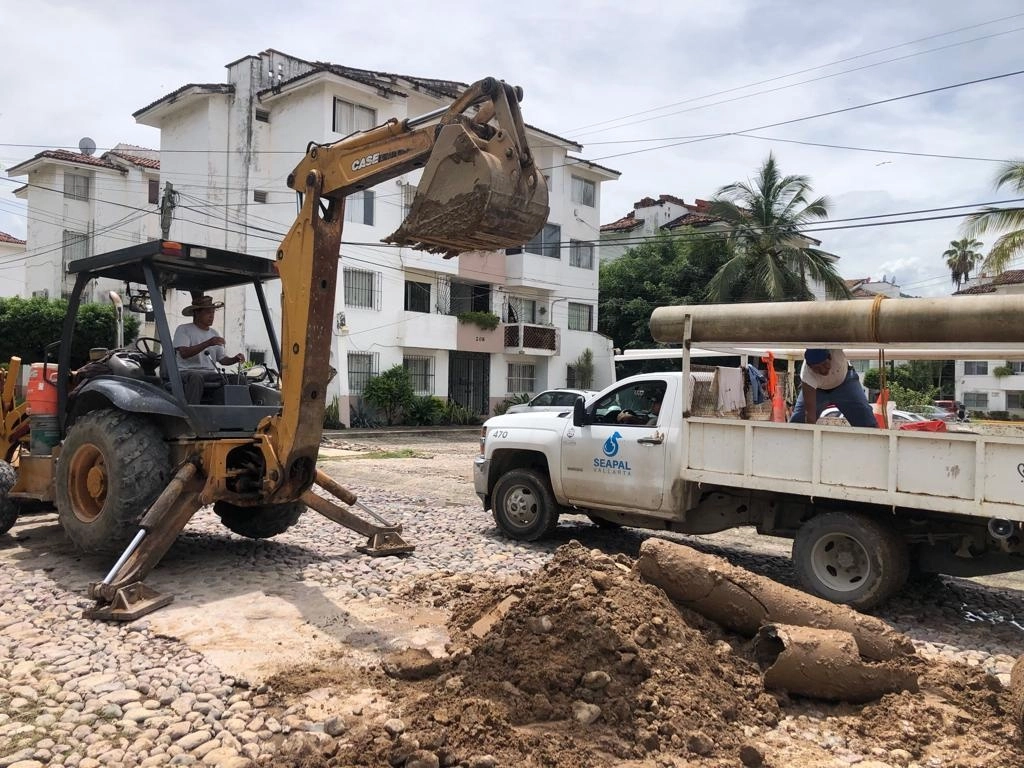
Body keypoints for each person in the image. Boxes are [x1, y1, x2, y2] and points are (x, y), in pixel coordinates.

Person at [173, 294, 245, 404]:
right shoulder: (184, 329)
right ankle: (191, 413)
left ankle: (235, 412)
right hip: (186, 371)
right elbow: (184, 353)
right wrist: (208, 343)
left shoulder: (214, 333)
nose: (211, 316)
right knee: (196, 378)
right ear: (196, 313)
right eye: (208, 313)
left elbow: (222, 359)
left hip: (210, 374)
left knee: (239, 380)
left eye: (213, 313)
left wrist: (235, 359)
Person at [789, 348, 876, 428]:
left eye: (824, 364)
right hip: (818, 390)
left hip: (845, 384)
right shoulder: (807, 376)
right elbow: (809, 414)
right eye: (817, 368)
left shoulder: (836, 351)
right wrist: (809, 434)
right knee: (798, 421)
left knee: (866, 418)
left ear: (830, 357)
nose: (823, 371)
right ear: (810, 367)